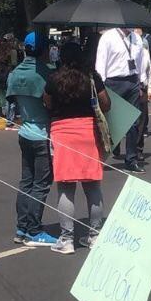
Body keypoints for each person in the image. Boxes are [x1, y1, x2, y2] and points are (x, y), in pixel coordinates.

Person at [43, 42, 110, 255]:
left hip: (62, 132)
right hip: (88, 131)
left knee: (65, 187)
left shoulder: (53, 79)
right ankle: (95, 235)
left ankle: (66, 239)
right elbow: (106, 104)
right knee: (93, 186)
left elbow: (47, 103)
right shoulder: (91, 77)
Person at [7, 32, 57, 247]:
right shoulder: (45, 75)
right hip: (42, 134)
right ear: (44, 50)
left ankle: (22, 227)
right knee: (41, 184)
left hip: (24, 132)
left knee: (26, 182)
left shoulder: (15, 73)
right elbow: (52, 105)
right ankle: (34, 231)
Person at [95, 27, 146, 172]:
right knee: (109, 121)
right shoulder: (108, 37)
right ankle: (100, 157)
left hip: (132, 81)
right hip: (113, 81)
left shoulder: (136, 38)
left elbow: (141, 61)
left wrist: (142, 82)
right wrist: (101, 85)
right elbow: (101, 62)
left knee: (133, 123)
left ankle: (131, 159)